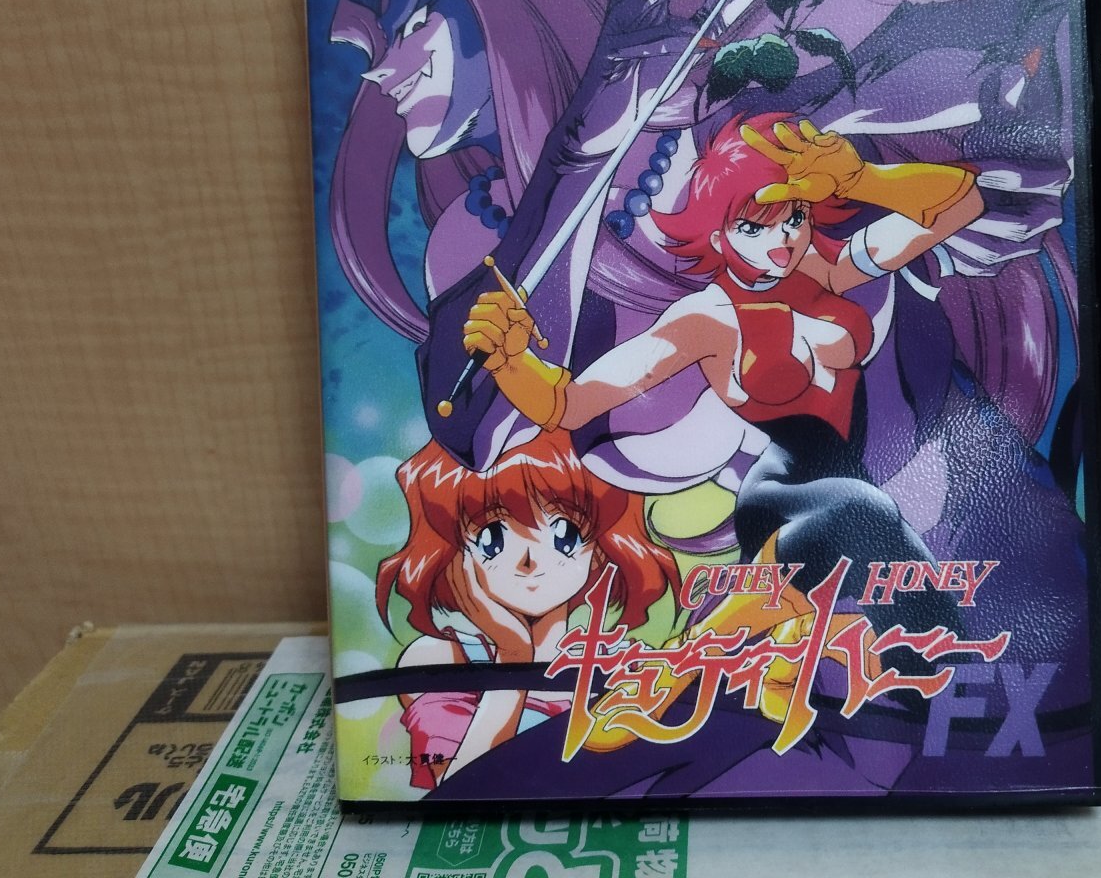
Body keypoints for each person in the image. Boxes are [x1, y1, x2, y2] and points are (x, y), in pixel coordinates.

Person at [459, 112, 983, 648]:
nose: (782, 241)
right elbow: (567, 403)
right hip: (781, 500)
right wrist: (508, 359)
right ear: (718, 235)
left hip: (847, 495)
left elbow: (962, 205)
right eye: (753, 227)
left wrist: (862, 180)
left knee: (928, 617)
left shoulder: (825, 271)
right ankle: (694, 648)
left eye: (794, 216)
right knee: (864, 513)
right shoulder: (707, 319)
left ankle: (930, 673)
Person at [374, 431, 677, 788]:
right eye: (492, 539)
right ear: (458, 553)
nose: (529, 560)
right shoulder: (440, 661)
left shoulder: (622, 667)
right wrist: (512, 654)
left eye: (564, 535)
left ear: (597, 550)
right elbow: (459, 790)